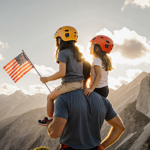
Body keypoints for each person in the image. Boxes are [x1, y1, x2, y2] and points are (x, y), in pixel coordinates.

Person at [47, 90, 125, 150]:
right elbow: (120, 127)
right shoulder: (104, 101)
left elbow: (54, 133)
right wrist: (102, 146)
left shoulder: (63, 98)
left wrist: (49, 122)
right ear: (90, 77)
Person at [38, 26, 84, 126]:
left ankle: (49, 120)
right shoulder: (78, 53)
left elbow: (61, 73)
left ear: (61, 39)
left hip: (70, 84)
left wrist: (47, 79)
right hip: (81, 84)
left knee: (50, 97)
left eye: (57, 39)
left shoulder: (62, 53)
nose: (57, 42)